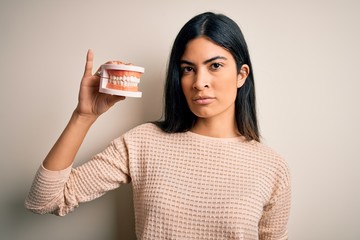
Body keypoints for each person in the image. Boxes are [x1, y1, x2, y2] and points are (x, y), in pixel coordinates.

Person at [25, 12, 291, 239]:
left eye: (215, 66)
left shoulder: (272, 167)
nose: (199, 82)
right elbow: (44, 200)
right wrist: (83, 116)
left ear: (241, 75)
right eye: (188, 69)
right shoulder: (144, 142)